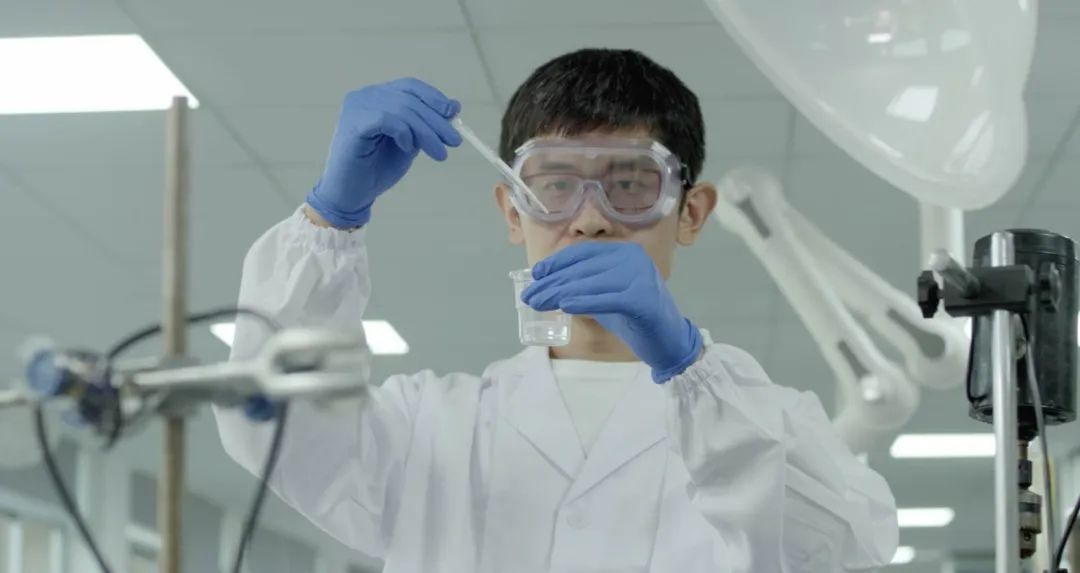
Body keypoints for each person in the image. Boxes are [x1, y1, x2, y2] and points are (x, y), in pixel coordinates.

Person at [214, 48, 898, 572]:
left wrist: (690, 367)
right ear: (513, 210)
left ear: (691, 212)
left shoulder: (773, 422)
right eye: (555, 185)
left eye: (630, 184)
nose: (590, 219)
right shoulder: (429, 426)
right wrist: (330, 220)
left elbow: (848, 546)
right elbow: (270, 426)